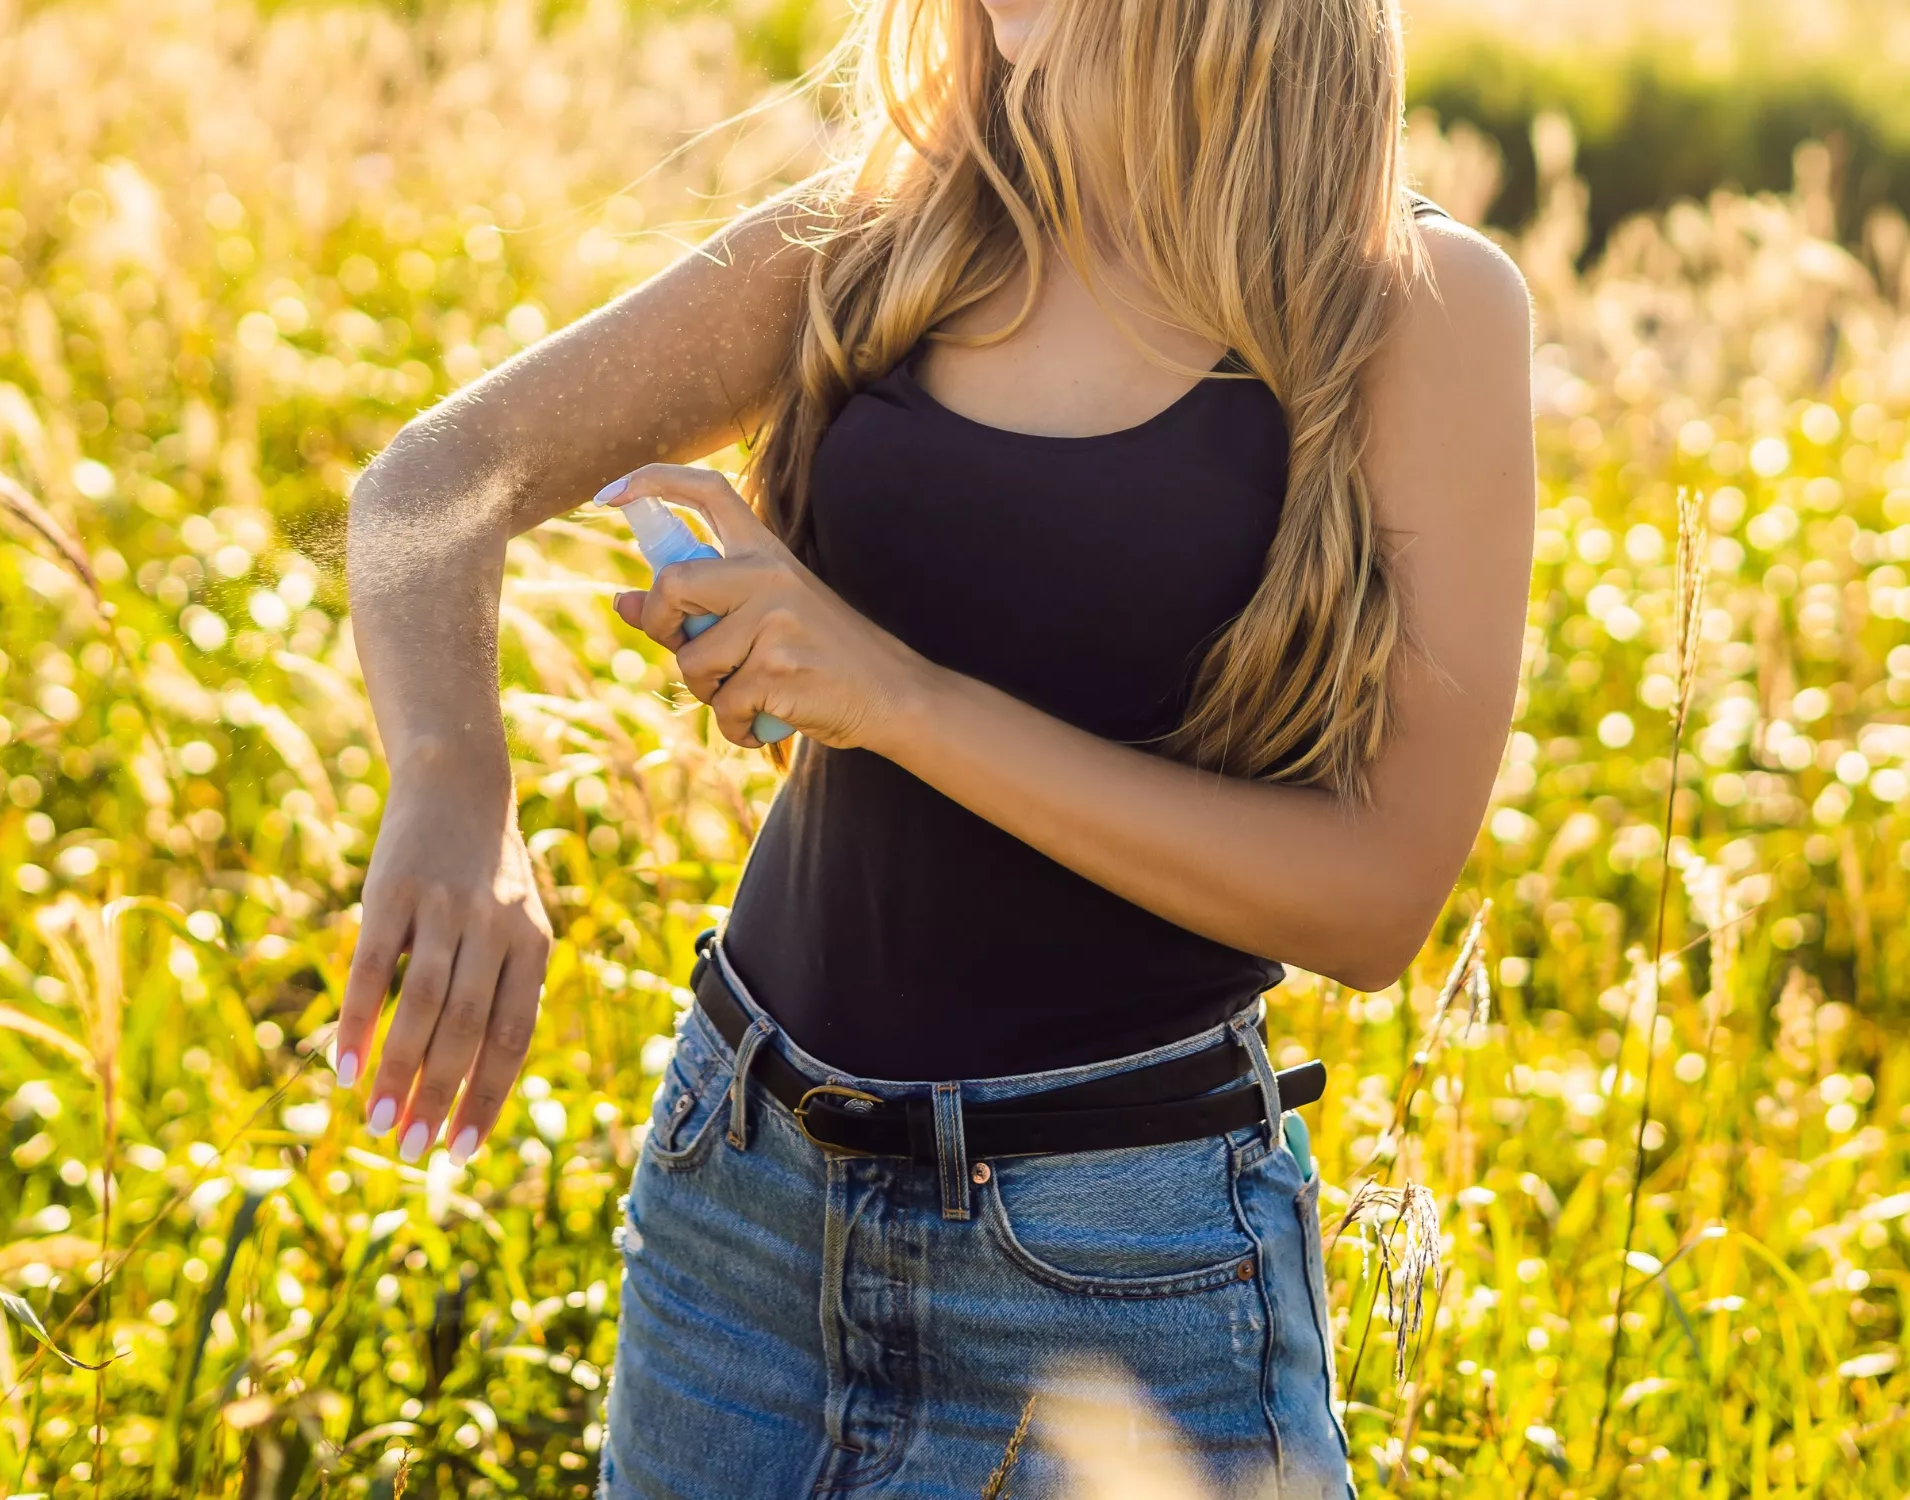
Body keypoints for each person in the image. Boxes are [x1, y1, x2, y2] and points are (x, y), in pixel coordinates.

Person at [333, 0, 1535, 1485]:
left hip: (1122, 1278)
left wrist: (894, 696)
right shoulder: (883, 231)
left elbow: (1373, 900)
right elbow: (427, 488)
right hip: (740, 1216)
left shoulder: (1413, 303)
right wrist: (456, 788)